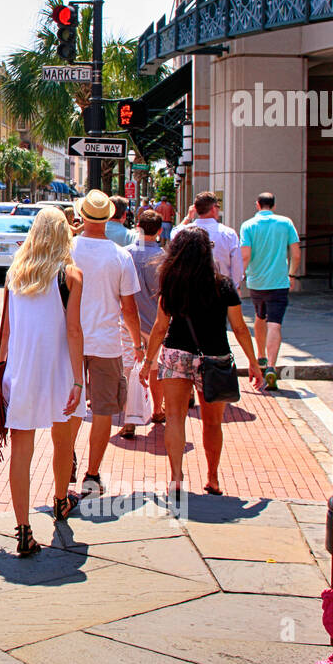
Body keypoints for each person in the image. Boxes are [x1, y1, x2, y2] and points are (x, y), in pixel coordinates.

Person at [142, 225, 264, 499]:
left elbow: (160, 327)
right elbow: (240, 328)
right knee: (212, 422)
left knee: (174, 417)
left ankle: (175, 477)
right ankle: (212, 477)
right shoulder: (223, 285)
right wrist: (254, 362)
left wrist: (147, 361)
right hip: (215, 357)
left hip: (176, 355)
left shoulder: (171, 283)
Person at [0, 208, 85, 553]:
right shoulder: (71, 275)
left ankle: (23, 529)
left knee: (22, 450)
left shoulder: (14, 274)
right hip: (60, 370)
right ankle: (61, 500)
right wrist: (79, 381)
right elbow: (74, 330)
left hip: (22, 370)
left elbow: (5, 329)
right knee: (64, 443)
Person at [69, 190, 143, 498]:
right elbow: (129, 308)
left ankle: (67, 456)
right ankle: (92, 474)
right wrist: (138, 344)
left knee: (70, 407)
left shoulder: (67, 249)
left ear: (82, 216)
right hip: (106, 341)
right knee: (102, 411)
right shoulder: (119, 255)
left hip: (70, 339)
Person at [240, 192, 301, 390]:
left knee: (259, 317)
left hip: (256, 282)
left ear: (257, 205)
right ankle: (272, 367)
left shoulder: (248, 225)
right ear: (273, 206)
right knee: (275, 324)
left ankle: (261, 356)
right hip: (279, 282)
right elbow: (296, 253)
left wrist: (240, 278)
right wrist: (291, 275)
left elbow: (245, 255)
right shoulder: (286, 223)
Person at [122, 208, 167, 437]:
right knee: (155, 370)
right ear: (159, 230)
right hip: (155, 323)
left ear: (138, 228)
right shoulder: (164, 258)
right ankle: (157, 410)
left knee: (129, 369)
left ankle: (129, 419)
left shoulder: (126, 254)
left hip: (129, 323)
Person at [179, 191, 244, 286]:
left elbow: (174, 232)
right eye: (218, 206)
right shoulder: (228, 234)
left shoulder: (183, 232)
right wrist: (233, 287)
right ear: (213, 208)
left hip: (192, 290)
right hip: (221, 289)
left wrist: (188, 217)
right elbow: (237, 267)